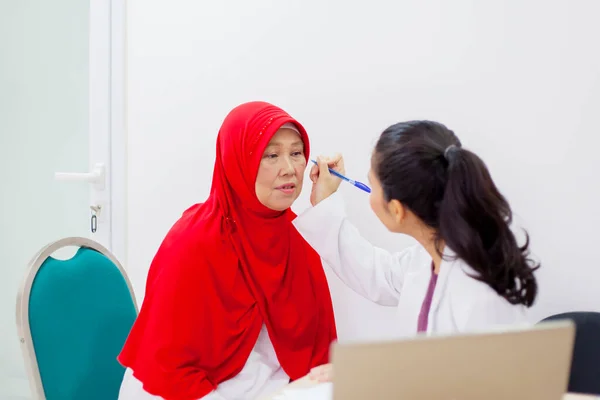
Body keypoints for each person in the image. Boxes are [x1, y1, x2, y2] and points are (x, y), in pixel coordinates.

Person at [117, 101, 337, 399]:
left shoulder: (296, 235)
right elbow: (169, 369)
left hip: (267, 387)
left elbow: (316, 354)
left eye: (296, 153)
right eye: (271, 155)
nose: (289, 169)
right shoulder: (192, 241)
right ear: (237, 161)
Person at [295, 120, 539, 382]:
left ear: (397, 210)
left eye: (371, 187)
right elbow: (377, 273)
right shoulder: (427, 260)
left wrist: (371, 375)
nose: (370, 197)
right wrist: (325, 203)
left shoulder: (480, 297)